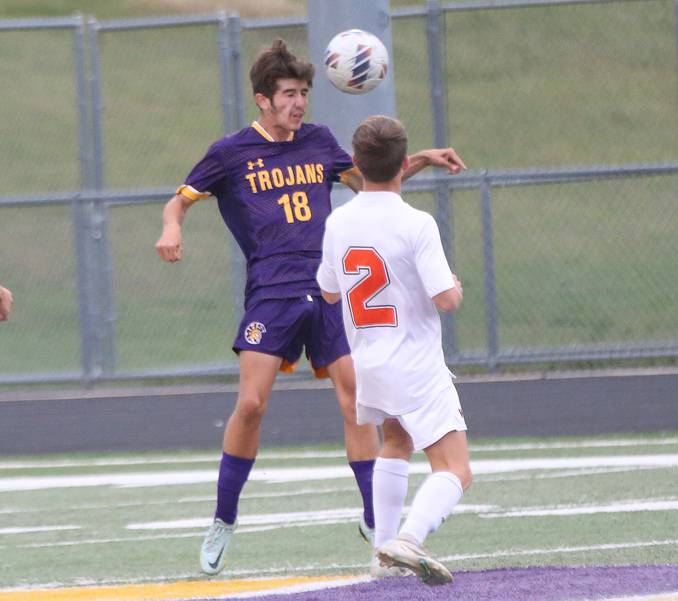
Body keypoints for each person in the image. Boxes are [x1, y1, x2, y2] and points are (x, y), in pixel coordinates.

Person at [154, 40, 466, 576]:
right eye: (288, 95)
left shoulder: (319, 141)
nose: (299, 103)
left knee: (354, 401)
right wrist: (171, 225)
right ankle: (224, 518)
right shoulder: (230, 152)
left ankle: (377, 525)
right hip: (270, 292)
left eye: (303, 93)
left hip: (328, 289)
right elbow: (180, 198)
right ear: (262, 100)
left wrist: (422, 160)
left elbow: (373, 182)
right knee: (251, 405)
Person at [317, 115, 472, 586]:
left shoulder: (338, 220)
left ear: (357, 165)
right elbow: (445, 299)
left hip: (369, 360)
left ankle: (382, 556)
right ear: (405, 164)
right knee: (457, 469)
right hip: (416, 364)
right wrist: (456, 288)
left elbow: (327, 292)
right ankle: (409, 538)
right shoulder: (416, 222)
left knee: (396, 442)